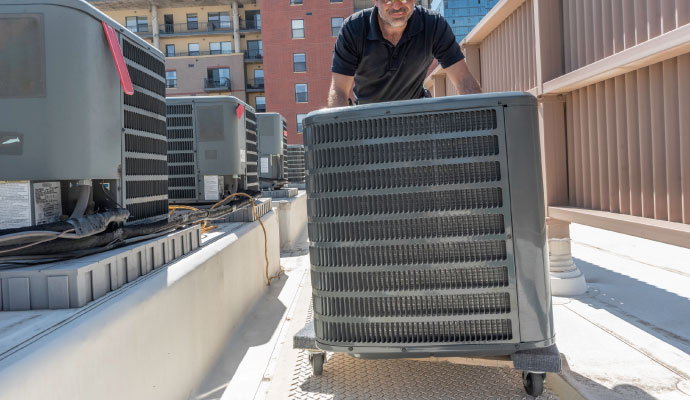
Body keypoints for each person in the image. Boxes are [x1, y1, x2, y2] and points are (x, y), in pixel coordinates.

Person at [328, 0, 482, 107]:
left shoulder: (433, 25)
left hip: (416, 114)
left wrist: (482, 120)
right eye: (388, 0)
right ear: (375, 1)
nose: (396, 6)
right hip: (368, 118)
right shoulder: (353, 29)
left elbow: (463, 79)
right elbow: (339, 90)